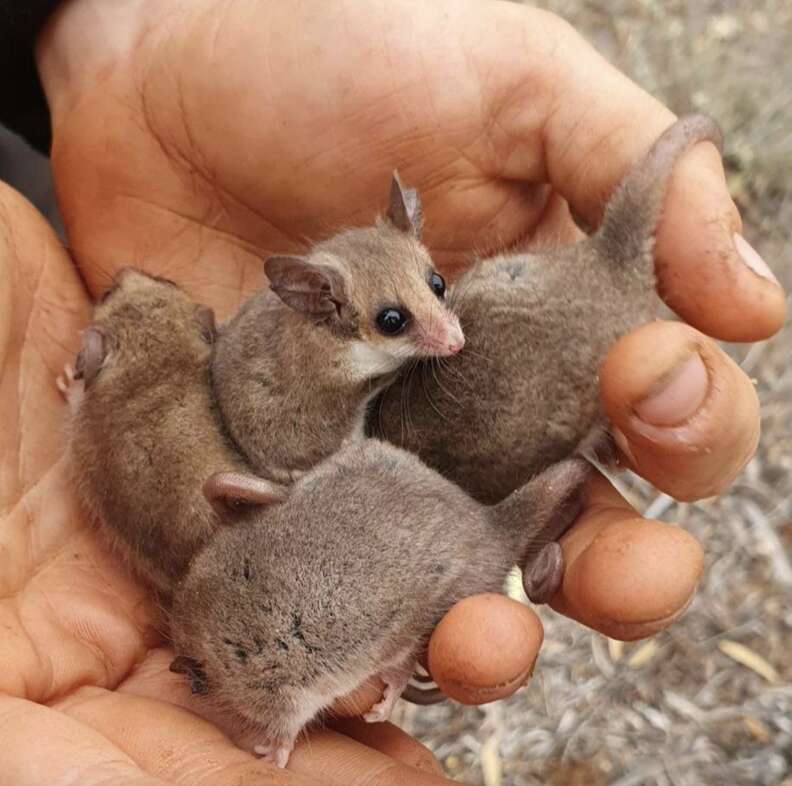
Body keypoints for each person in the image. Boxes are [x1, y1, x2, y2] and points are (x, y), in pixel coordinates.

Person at [0, 1, 785, 784]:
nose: (451, 332)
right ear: (324, 309)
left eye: (438, 287)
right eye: (397, 319)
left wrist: (112, 32)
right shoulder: (293, 376)